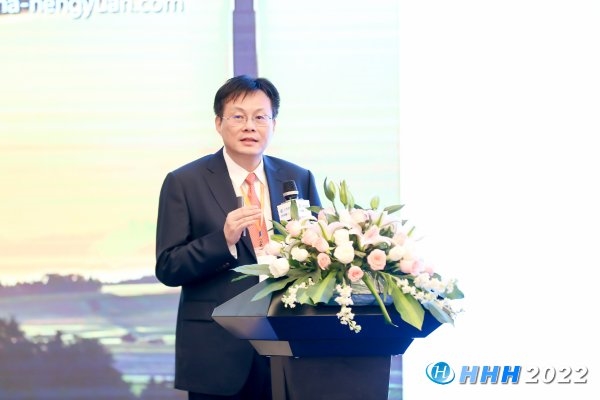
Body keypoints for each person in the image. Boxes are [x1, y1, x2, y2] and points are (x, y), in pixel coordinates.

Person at [155, 75, 321, 400]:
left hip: (290, 347)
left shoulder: (298, 178)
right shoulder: (185, 182)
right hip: (219, 351)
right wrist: (223, 240)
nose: (250, 127)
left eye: (260, 117)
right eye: (238, 116)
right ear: (218, 123)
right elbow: (168, 267)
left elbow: (317, 256)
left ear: (273, 124)